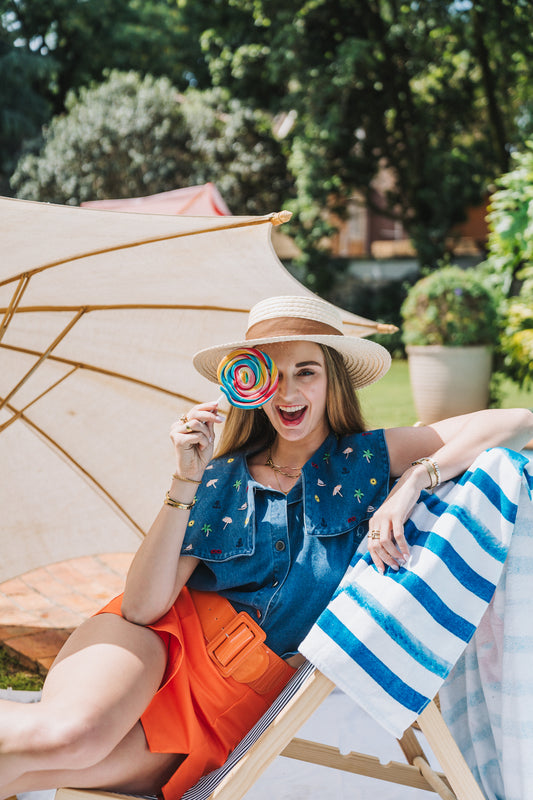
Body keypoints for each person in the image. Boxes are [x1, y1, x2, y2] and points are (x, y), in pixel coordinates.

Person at [1, 294, 532, 800]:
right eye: (271, 375)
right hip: (160, 646)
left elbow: (517, 422)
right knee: (69, 740)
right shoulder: (221, 477)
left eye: (306, 371)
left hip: (229, 707)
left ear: (332, 382)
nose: (287, 392)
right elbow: (142, 608)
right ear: (246, 386)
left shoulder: (365, 460)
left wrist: (414, 479)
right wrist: (186, 479)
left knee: (33, 766)